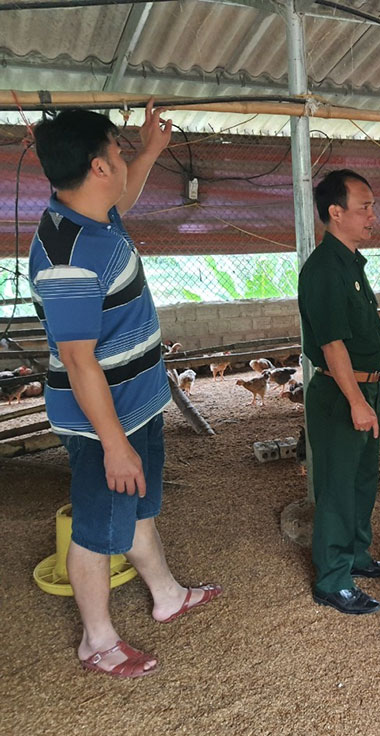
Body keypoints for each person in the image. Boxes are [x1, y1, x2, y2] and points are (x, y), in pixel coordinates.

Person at [29, 103, 222, 679]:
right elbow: (76, 359)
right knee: (96, 529)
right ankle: (98, 640)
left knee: (137, 507)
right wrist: (113, 444)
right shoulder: (67, 257)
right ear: (97, 166)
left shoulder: (91, 215)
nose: (122, 159)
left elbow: (122, 196)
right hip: (101, 421)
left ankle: (165, 594)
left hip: (134, 404)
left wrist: (149, 150)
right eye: (117, 152)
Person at [298, 169, 380, 615]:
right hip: (341, 396)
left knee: (361, 482)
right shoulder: (324, 269)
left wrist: (379, 384)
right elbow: (332, 343)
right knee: (337, 489)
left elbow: (360, 338)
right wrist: (357, 400)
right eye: (365, 206)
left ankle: (357, 555)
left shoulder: (350, 264)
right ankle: (332, 579)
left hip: (364, 390)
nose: (372, 216)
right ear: (335, 212)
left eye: (372, 206)